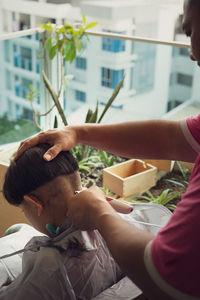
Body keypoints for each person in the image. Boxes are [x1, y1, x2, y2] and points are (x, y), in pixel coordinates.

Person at [14, 0, 200, 299]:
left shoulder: (46, 270)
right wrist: (78, 131)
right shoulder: (144, 217)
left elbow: (170, 275)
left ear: (34, 203)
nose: (191, 52)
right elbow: (169, 138)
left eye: (190, 32)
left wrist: (101, 213)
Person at [1, 143, 124, 300]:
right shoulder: (116, 225)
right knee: (18, 228)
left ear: (34, 203)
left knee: (15, 230)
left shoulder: (50, 270)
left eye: (23, 210)